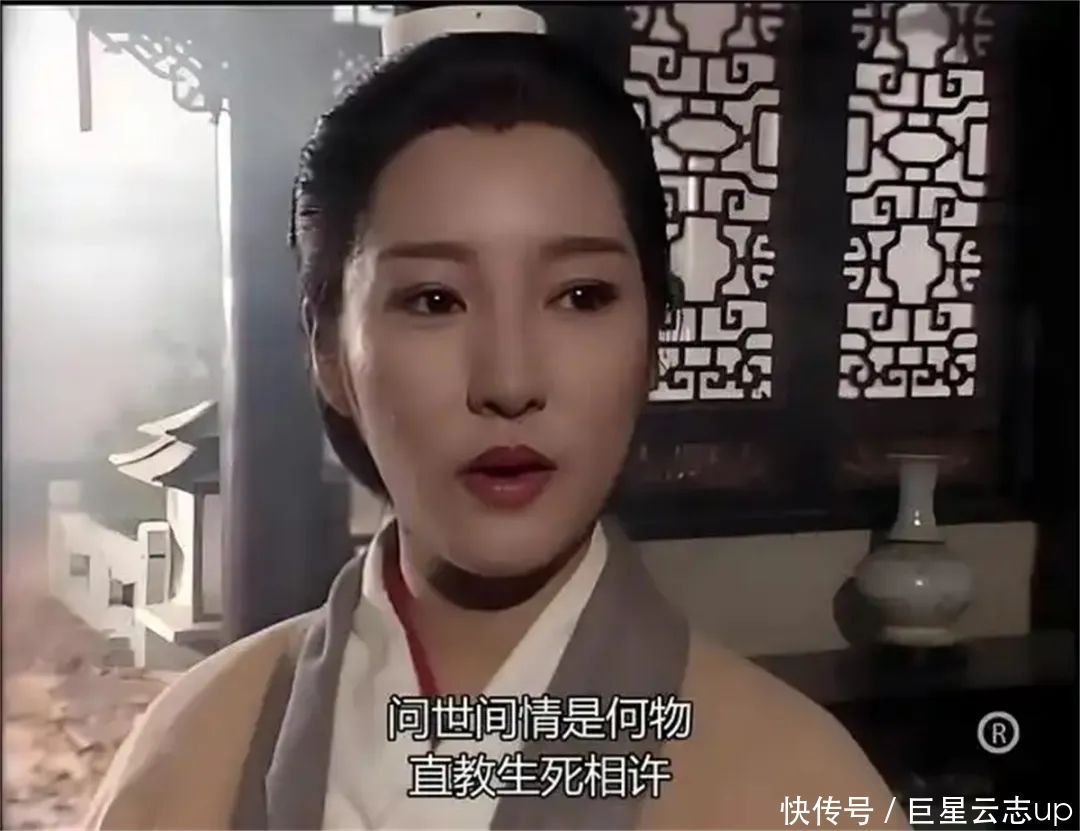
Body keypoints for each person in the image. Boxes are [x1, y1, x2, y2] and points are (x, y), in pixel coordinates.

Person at [86, 10, 906, 831]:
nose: (510, 382)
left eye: (581, 296)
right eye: (433, 299)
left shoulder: (799, 782)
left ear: (654, 339)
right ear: (330, 352)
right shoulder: (195, 745)